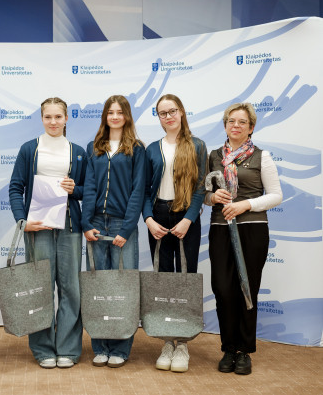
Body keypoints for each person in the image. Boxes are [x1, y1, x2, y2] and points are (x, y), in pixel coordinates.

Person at [9, 97, 86, 369]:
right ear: (42, 118)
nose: (53, 122)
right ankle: (42, 349)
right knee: (40, 288)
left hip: (69, 227)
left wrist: (74, 189)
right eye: (48, 117)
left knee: (71, 289)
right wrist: (22, 221)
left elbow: (87, 190)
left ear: (66, 119)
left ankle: (68, 348)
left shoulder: (78, 151)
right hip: (37, 228)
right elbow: (15, 187)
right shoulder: (30, 149)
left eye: (58, 117)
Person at [205, 102, 282, 375]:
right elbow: (203, 193)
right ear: (225, 125)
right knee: (223, 289)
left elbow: (276, 196)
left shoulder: (262, 156)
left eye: (242, 122)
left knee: (247, 289)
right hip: (220, 228)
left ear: (251, 127)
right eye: (231, 121)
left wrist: (245, 205)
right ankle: (228, 348)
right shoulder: (214, 156)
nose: (235, 126)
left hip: (252, 229)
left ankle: (244, 351)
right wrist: (213, 197)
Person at [143, 94, 207, 373]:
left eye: (172, 111)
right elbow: (144, 189)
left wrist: (188, 219)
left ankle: (183, 344)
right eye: (162, 113)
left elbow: (201, 187)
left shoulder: (197, 145)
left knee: (185, 280)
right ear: (158, 117)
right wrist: (148, 219)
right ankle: (167, 341)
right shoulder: (152, 149)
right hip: (158, 216)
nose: (168, 117)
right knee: (163, 279)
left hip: (185, 216)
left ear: (181, 112)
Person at [82, 95, 145, 368]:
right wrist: (86, 224)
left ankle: (120, 347)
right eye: (111, 112)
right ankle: (100, 346)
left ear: (127, 116)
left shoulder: (137, 149)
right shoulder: (94, 147)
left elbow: (138, 191)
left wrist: (127, 229)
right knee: (98, 287)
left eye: (120, 112)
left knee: (122, 287)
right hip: (96, 224)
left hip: (122, 226)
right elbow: (89, 186)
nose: (115, 116)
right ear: (105, 117)